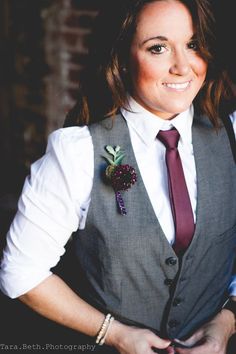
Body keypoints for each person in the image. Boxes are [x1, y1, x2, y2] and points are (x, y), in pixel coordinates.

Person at [0, 0, 236, 353]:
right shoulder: (77, 151)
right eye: (158, 48)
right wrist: (114, 334)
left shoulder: (231, 135)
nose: (183, 66)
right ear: (122, 58)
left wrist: (227, 320)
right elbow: (21, 273)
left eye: (193, 44)